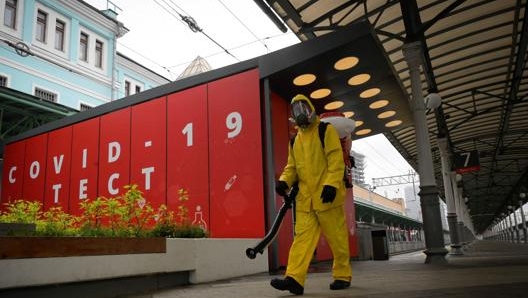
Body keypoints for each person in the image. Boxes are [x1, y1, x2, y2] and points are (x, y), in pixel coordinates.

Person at [270, 94, 352, 295]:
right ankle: (294, 279)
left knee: (337, 239)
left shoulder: (325, 130)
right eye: (295, 110)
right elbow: (292, 167)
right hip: (306, 201)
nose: (300, 113)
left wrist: (331, 184)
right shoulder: (295, 141)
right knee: (302, 240)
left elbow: (335, 159)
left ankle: (342, 275)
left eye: (302, 108)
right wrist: (284, 181)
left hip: (327, 197)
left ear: (310, 109)